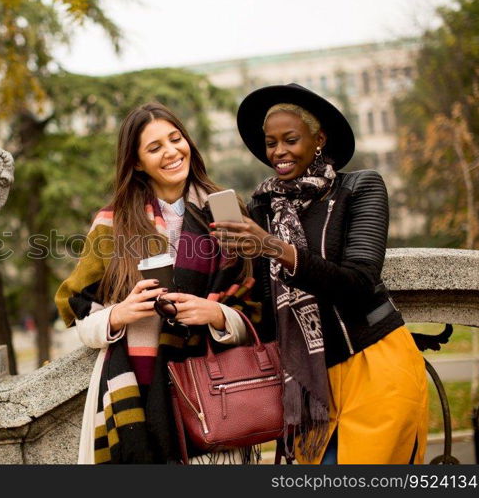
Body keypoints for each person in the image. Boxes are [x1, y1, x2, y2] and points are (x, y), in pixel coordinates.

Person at [211, 84, 428, 464]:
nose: (278, 152)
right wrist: (237, 266)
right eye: (270, 143)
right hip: (308, 384)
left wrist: (274, 247)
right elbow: (268, 311)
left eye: (290, 139)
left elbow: (359, 283)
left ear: (319, 138)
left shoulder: (360, 187)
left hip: (374, 364)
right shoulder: (264, 208)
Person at [55, 102, 257, 464]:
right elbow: (77, 310)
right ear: (136, 163)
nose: (171, 152)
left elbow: (257, 310)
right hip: (135, 391)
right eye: (154, 148)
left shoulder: (227, 212)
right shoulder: (112, 223)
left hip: (215, 391)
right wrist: (119, 315)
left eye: (175, 139)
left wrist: (216, 314)